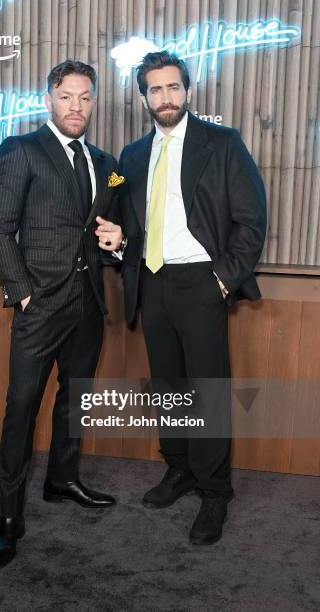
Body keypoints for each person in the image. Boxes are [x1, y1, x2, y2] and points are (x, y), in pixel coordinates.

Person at [118, 51, 266, 545]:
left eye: (174, 87)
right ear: (144, 97)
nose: (166, 97)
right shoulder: (133, 156)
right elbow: (131, 222)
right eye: (156, 89)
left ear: (187, 91)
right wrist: (118, 241)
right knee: (169, 386)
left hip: (202, 282)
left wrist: (221, 280)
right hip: (152, 281)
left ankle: (215, 490)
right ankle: (179, 469)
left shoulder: (222, 144)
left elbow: (251, 220)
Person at [0, 59, 123, 567]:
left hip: (88, 304)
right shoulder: (21, 150)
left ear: (93, 102)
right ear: (49, 98)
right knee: (21, 410)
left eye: (85, 97)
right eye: (67, 96)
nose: (77, 106)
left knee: (75, 401)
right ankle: (8, 516)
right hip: (39, 305)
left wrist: (118, 243)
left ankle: (62, 479)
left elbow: (103, 233)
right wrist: (22, 293)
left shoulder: (104, 160)